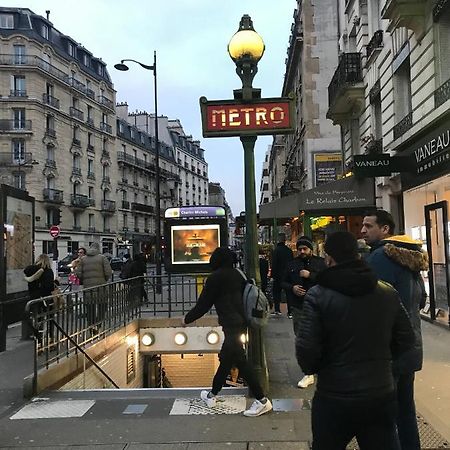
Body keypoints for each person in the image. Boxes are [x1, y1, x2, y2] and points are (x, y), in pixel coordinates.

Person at [296, 231, 416, 450]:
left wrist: (326, 369)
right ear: (358, 255)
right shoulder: (386, 292)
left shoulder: (318, 295)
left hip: (334, 397)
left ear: (329, 258)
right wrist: (383, 362)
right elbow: (407, 340)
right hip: (380, 394)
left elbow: (307, 355)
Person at [362, 210, 428, 450]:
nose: (363, 230)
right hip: (410, 346)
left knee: (383, 417)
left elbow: (369, 303)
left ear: (385, 229)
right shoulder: (410, 259)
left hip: (387, 350)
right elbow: (421, 301)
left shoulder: (379, 258)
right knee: (405, 411)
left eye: (369, 226)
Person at [183, 247, 272, 417]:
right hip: (241, 323)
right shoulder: (238, 274)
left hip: (231, 325)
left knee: (241, 363)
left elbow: (203, 305)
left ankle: (262, 400)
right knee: (226, 359)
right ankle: (212, 394)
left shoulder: (215, 278)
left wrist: (186, 319)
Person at [282, 235, 326, 388]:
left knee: (320, 337)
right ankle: (308, 373)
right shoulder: (292, 264)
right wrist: (292, 288)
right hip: (299, 306)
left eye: (304, 249)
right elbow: (283, 281)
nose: (301, 251)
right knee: (302, 338)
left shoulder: (320, 263)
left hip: (318, 306)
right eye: (299, 249)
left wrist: (311, 275)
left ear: (311, 249)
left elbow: (327, 279)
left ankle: (320, 367)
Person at [75, 242, 112, 329]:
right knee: (101, 307)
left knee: (90, 307)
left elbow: (79, 274)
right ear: (98, 248)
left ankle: (91, 326)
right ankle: (98, 325)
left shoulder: (83, 259)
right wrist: (104, 280)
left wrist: (85, 280)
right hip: (101, 287)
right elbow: (108, 272)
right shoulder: (102, 258)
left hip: (88, 288)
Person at [24, 254, 56, 339]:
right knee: (50, 319)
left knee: (37, 318)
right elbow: (49, 287)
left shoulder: (31, 270)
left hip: (34, 298)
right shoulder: (48, 271)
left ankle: (38, 337)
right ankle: (50, 338)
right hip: (45, 298)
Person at [271, 232, 293, 316]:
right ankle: (290, 311)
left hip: (278, 275)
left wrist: (272, 275)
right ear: (284, 240)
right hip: (288, 275)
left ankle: (277, 310)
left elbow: (274, 264)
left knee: (276, 292)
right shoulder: (289, 251)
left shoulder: (276, 251)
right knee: (288, 293)